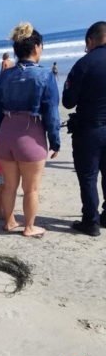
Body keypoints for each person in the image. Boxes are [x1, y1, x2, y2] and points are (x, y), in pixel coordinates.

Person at [0, 22, 60, 238]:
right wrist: (55, 140)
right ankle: (29, 227)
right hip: (31, 133)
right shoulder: (45, 75)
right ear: (36, 46)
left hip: (7, 134)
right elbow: (51, 113)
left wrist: (1, 128)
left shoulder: (6, 75)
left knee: (10, 186)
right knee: (31, 189)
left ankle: (9, 222)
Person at [62, 21, 106, 236]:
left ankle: (91, 220)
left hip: (90, 128)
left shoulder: (84, 64)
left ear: (90, 41)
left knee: (88, 176)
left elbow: (68, 101)